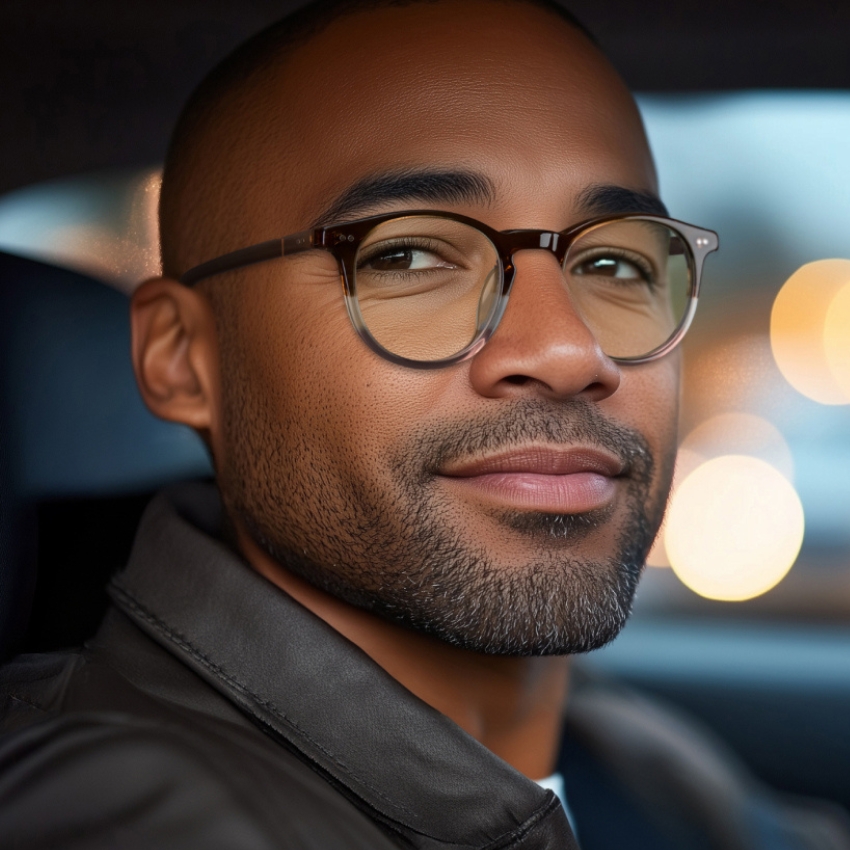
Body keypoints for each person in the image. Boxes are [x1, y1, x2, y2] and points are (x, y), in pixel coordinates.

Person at [0, 1, 848, 847]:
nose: (567, 348)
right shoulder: (116, 812)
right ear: (183, 358)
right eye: (408, 256)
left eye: (612, 262)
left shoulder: (630, 755)